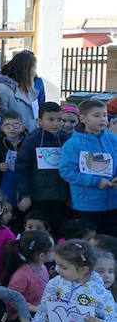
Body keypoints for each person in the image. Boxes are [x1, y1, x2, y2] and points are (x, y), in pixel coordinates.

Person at [59, 100, 117, 236]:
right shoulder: (73, 144)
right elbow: (66, 171)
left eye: (104, 115)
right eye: (97, 115)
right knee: (91, 243)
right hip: (87, 205)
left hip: (113, 203)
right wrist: (96, 181)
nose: (102, 119)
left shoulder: (114, 140)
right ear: (83, 118)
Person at [14, 102, 68, 231]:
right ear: (39, 121)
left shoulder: (65, 139)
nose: (56, 123)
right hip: (37, 196)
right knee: (38, 228)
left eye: (59, 119)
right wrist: (25, 195)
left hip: (59, 196)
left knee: (57, 228)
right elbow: (21, 169)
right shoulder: (32, 140)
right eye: (50, 119)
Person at [0, 51, 39, 132]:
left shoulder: (31, 91)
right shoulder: (2, 89)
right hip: (12, 138)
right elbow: (1, 116)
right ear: (25, 70)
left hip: (31, 137)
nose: (35, 72)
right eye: (34, 68)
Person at [0, 111, 27, 203]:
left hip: (25, 185)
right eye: (7, 125)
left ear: (23, 127)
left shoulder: (28, 144)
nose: (11, 128)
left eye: (16, 125)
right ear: (2, 128)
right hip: (5, 184)